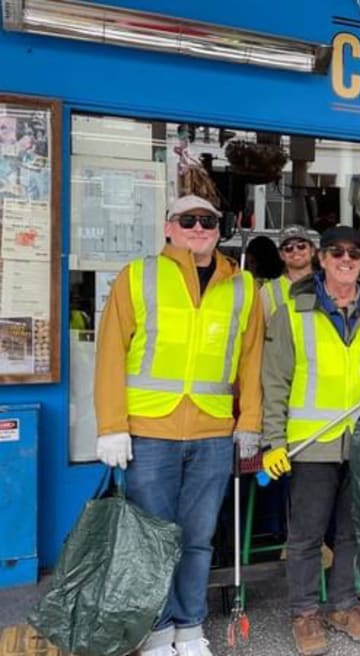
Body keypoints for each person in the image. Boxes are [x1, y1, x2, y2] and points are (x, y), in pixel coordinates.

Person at [94, 194, 263, 656]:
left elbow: (251, 362)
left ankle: (189, 627)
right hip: (150, 431)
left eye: (207, 220)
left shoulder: (243, 286)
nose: (198, 227)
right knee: (151, 540)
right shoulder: (139, 276)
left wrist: (248, 422)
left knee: (197, 539)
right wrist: (111, 424)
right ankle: (156, 629)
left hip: (212, 433)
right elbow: (110, 352)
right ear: (169, 227)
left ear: (219, 228)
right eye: (187, 219)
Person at [261, 225, 360, 655]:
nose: (345, 259)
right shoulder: (293, 312)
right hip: (311, 443)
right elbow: (274, 381)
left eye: (353, 252)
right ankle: (305, 614)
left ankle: (342, 606)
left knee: (351, 532)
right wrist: (274, 441)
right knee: (307, 535)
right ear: (323, 259)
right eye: (337, 252)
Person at [260, 225, 319, 324]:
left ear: (312, 250)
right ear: (282, 255)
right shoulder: (267, 291)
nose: (295, 251)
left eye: (301, 246)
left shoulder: (328, 285)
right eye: (288, 248)